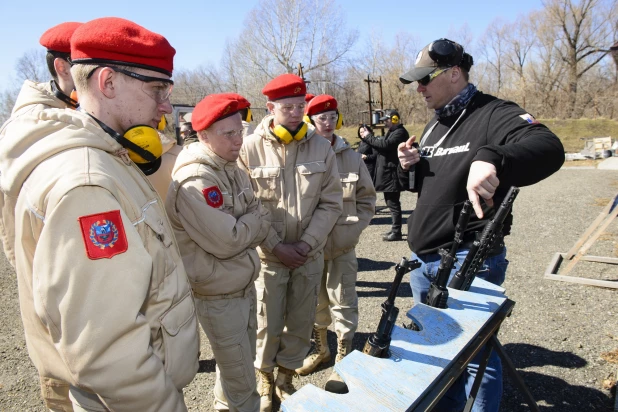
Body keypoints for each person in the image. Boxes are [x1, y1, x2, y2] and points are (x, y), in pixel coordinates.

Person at [0, 17, 200, 411]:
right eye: (157, 88)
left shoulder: (109, 155)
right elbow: (108, 353)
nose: (165, 105)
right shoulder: (88, 186)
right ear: (107, 82)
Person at [397, 38, 565, 412]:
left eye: (425, 79)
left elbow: (549, 146)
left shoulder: (493, 113)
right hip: (425, 261)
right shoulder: (434, 124)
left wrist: (493, 158)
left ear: (454, 73)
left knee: (474, 358)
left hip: (465, 259)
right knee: (438, 352)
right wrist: (410, 164)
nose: (419, 88)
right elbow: (437, 184)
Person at [239, 74, 342, 412]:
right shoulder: (249, 149)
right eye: (288, 107)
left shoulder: (321, 147)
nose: (297, 113)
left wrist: (308, 244)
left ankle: (285, 376)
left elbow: (331, 202)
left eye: (301, 106)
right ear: (270, 108)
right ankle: (264, 378)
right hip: (269, 256)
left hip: (308, 255)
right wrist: (275, 246)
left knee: (300, 321)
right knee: (266, 321)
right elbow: (246, 205)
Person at [165, 94, 271, 412]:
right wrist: (254, 221)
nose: (238, 140)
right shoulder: (196, 180)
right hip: (219, 296)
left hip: (239, 285)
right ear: (203, 135)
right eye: (229, 133)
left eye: (240, 130)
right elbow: (229, 240)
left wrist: (250, 222)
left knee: (235, 367)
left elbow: (252, 216)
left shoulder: (230, 167)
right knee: (243, 384)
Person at [296, 95, 376, 391]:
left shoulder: (351, 156)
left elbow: (367, 199)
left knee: (343, 303)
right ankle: (322, 349)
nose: (328, 123)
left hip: (342, 246)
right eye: (321, 118)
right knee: (315, 303)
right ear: (310, 122)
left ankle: (344, 359)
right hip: (311, 248)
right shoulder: (302, 155)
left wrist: (353, 232)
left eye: (332, 117)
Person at [359, 109, 409, 241]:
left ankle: (396, 232)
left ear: (394, 119)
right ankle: (395, 229)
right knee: (390, 201)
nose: (385, 123)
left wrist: (369, 136)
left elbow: (385, 145)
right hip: (388, 173)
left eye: (387, 120)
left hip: (392, 173)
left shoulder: (400, 133)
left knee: (393, 203)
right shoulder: (392, 132)